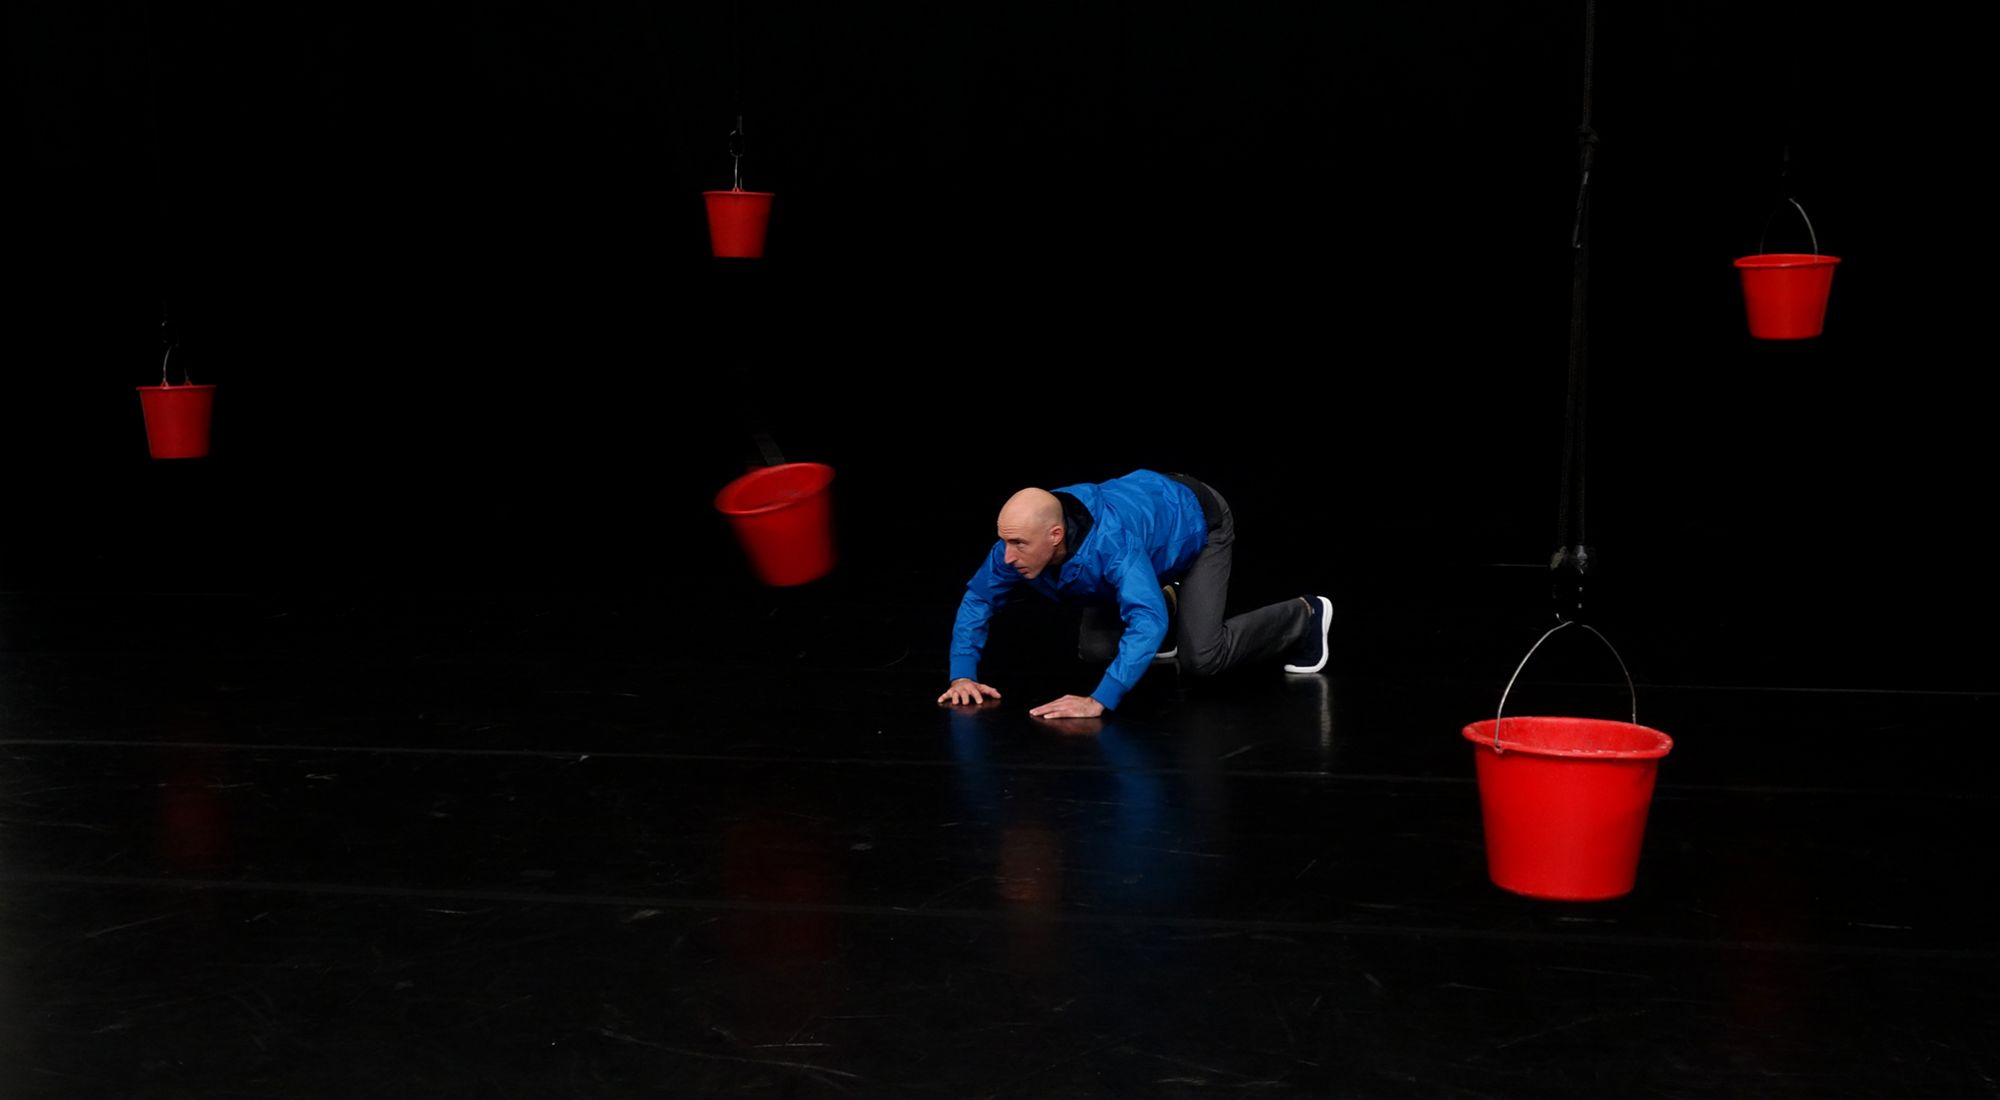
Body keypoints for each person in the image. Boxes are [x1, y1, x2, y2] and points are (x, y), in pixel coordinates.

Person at [936, 469, 1332, 718]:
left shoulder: (1113, 545)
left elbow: (1147, 620)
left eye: (1019, 544)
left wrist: (1099, 700)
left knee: (1203, 658)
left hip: (1198, 524)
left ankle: (1305, 616)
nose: (1007, 556)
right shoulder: (1019, 542)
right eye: (1004, 542)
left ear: (1054, 536)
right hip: (1148, 536)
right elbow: (979, 600)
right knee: (1097, 650)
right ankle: (1163, 595)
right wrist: (961, 676)